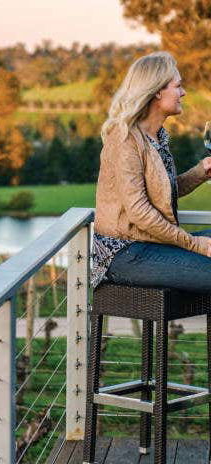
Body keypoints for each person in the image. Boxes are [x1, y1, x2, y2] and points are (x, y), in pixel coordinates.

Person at [93, 51, 211, 291]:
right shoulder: (124, 138)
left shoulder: (156, 137)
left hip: (152, 243)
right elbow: (139, 211)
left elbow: (163, 192)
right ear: (157, 91)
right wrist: (195, 244)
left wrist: (201, 172)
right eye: (178, 86)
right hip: (124, 253)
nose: (183, 93)